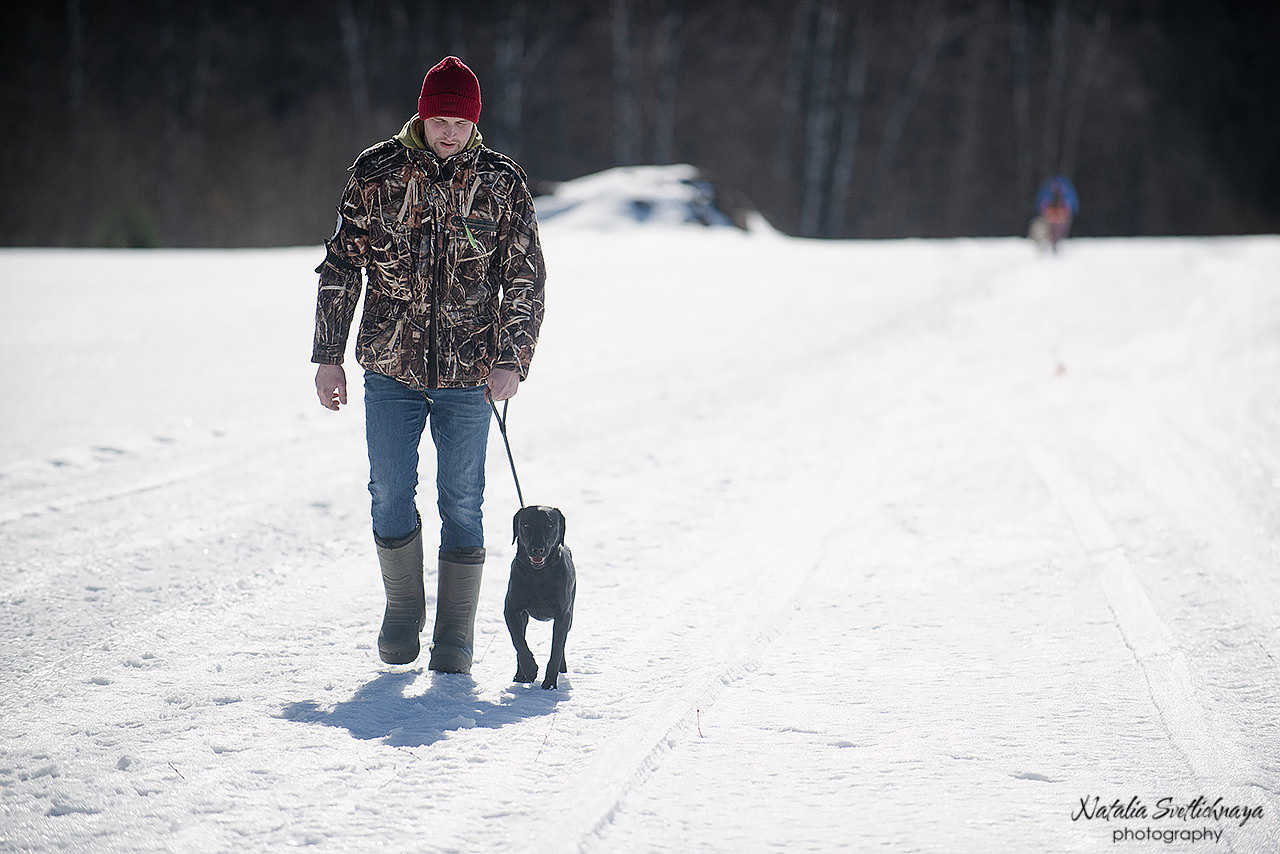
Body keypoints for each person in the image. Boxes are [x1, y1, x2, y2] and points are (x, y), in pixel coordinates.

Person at [311, 56, 546, 673]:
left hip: (472, 375)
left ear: (475, 122)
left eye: (460, 122)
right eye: (439, 119)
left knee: (462, 501)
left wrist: (511, 360)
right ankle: (402, 610)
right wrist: (328, 358)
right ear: (422, 115)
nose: (449, 133)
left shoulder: (501, 183)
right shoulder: (377, 171)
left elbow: (524, 277)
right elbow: (340, 267)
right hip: (391, 366)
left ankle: (455, 634)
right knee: (389, 491)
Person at [1035, 175, 1079, 253]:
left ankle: (1056, 244)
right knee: (1052, 231)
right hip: (1053, 216)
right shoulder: (1048, 190)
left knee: (1058, 231)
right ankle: (1051, 245)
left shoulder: (1062, 191)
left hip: (1059, 216)